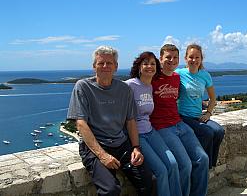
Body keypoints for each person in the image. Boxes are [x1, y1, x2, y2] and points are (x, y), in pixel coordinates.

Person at [67, 45, 152, 196]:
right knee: (110, 190)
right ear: (94, 66)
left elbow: (130, 121)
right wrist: (102, 156)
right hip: (95, 146)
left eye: (109, 63)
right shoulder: (83, 86)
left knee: (148, 181)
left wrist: (136, 148)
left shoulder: (124, 89)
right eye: (101, 63)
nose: (105, 66)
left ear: (116, 67)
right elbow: (81, 123)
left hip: (121, 144)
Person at [150, 44, 209, 196]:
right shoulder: (152, 78)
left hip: (179, 123)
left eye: (175, 57)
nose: (171, 60)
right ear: (160, 59)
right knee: (185, 165)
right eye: (168, 57)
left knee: (202, 159)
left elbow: (188, 94)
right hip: (162, 127)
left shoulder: (177, 77)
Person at [125, 52, 182, 196]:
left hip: (150, 131)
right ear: (139, 67)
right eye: (145, 63)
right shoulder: (130, 85)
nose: (149, 66)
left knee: (173, 164)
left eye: (152, 63)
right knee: (161, 171)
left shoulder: (149, 86)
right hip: (138, 135)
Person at [175, 43, 225, 169]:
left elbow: (213, 98)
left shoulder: (205, 75)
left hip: (198, 116)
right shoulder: (178, 74)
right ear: (185, 58)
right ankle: (197, 162)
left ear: (201, 59)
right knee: (207, 133)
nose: (194, 60)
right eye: (191, 57)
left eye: (197, 57)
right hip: (183, 116)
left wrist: (208, 113)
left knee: (219, 131)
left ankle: (209, 164)